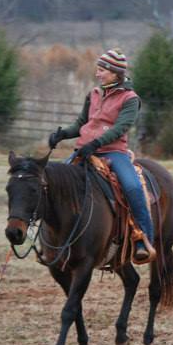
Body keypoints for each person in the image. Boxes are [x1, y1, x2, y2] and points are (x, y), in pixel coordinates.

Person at [48, 49, 156, 262]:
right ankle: (49, 238)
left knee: (133, 187)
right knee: (51, 180)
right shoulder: (94, 94)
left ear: (115, 73)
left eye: (102, 70)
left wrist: (96, 143)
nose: (97, 74)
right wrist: (62, 134)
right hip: (85, 150)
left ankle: (143, 239)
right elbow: (82, 124)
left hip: (114, 152)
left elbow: (120, 128)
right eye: (98, 69)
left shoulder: (130, 99)